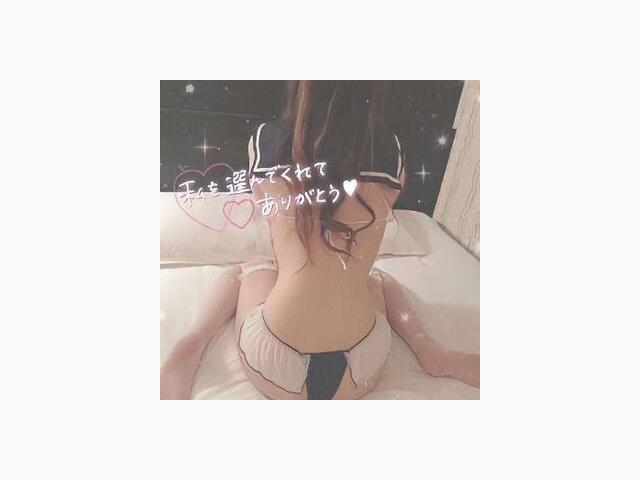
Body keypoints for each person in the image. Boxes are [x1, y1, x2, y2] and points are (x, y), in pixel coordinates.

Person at [161, 81, 480, 400]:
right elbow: (384, 207)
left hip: (275, 365)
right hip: (361, 367)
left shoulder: (265, 142)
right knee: (377, 281)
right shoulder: (391, 151)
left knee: (250, 272)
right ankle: (432, 352)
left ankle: (190, 346)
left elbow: (265, 207)